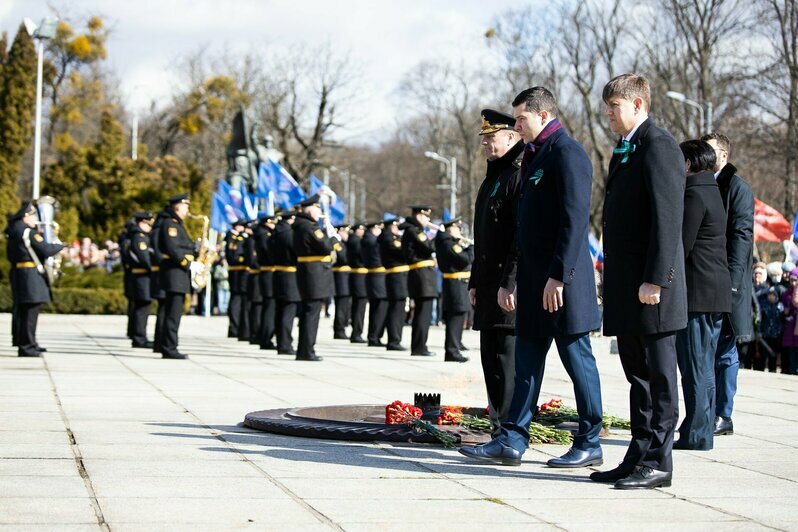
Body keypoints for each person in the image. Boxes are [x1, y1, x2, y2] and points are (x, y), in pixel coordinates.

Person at [459, 87, 604, 470]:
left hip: (562, 284)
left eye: (521, 119)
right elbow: (525, 228)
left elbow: (574, 222)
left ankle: (590, 440)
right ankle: (511, 438)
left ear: (542, 115)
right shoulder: (535, 156)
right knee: (525, 364)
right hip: (534, 282)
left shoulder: (566, 152)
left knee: (577, 362)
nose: (517, 125)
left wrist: (559, 276)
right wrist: (516, 280)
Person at [593, 74, 687, 489]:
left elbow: (668, 220)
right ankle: (639, 452)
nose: (608, 114)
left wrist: (656, 280)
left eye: (614, 106)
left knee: (659, 375)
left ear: (637, 104)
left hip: (652, 290)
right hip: (630, 287)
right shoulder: (627, 147)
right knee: (639, 375)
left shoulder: (658, 145)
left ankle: (659, 461)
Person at [673, 140, 732, 451]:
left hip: (698, 294)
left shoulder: (694, 193)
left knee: (696, 366)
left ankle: (697, 433)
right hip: (713, 293)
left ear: (689, 164)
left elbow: (683, 243)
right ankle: (701, 427)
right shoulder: (711, 190)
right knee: (704, 364)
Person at [470, 108, 524, 436]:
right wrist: (476, 280)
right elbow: (484, 237)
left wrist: (511, 282)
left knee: (507, 361)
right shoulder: (495, 176)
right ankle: (498, 426)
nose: (486, 144)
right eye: (484, 139)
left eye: (492, 138)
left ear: (511, 136)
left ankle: (510, 431)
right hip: (489, 285)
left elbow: (519, 237)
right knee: (491, 358)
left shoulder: (517, 174)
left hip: (507, 285)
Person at [701, 132, 755, 437]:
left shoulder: (736, 187)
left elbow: (741, 237)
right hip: (706, 279)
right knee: (705, 351)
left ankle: (723, 413)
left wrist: (733, 283)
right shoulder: (702, 182)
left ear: (723, 155)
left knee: (724, 351)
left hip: (726, 282)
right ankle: (707, 411)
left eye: (709, 152)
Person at [5, 201, 64, 357]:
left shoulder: (14, 230)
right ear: (26, 217)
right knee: (30, 311)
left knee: (24, 311)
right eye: (32, 216)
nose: (34, 219)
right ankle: (27, 346)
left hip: (20, 273)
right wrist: (61, 245)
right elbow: (45, 249)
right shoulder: (27, 232)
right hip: (30, 274)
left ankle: (27, 342)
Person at [293, 194, 334, 361]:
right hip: (314, 273)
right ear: (310, 210)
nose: (319, 211)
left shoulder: (301, 225)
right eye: (317, 208)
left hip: (309, 272)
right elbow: (325, 246)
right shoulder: (310, 227)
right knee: (312, 313)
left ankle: (304, 349)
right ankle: (307, 350)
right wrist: (330, 237)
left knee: (308, 312)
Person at [156, 193, 196, 359]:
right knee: (173, 313)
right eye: (186, 206)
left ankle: (165, 344)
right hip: (174, 273)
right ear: (178, 206)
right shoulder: (170, 224)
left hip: (176, 273)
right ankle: (170, 347)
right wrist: (189, 263)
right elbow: (173, 249)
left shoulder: (176, 224)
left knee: (170, 312)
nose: (188, 210)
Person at [435, 218, 472, 363]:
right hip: (455, 284)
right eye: (457, 228)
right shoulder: (448, 244)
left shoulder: (450, 243)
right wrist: (471, 248)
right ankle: (452, 350)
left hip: (458, 283)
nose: (460, 231)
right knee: (455, 318)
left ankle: (456, 346)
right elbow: (464, 260)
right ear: (450, 229)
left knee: (459, 316)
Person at [402, 206, 437, 357]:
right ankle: (419, 347)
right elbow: (429, 247)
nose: (428, 220)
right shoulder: (415, 231)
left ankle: (419, 345)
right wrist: (440, 235)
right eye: (426, 217)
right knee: (423, 314)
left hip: (422, 275)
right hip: (422, 276)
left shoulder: (414, 230)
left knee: (423, 313)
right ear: (419, 216)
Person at [271, 210, 300, 355]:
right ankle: (285, 344)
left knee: (281, 311)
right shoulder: (288, 234)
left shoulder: (276, 233)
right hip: (290, 275)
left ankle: (281, 342)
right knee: (288, 312)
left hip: (279, 273)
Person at [379, 217, 409, 351]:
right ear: (391, 226)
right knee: (396, 309)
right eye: (396, 226)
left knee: (398, 309)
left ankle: (395, 339)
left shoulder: (392, 238)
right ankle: (393, 340)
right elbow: (401, 253)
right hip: (396, 277)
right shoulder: (388, 238)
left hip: (398, 277)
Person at [127, 212, 156, 349]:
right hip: (141, 276)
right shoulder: (139, 237)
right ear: (141, 223)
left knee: (142, 307)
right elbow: (144, 258)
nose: (150, 227)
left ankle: (139, 336)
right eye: (148, 224)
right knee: (142, 307)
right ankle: (139, 338)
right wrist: (155, 268)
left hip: (143, 277)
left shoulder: (141, 236)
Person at [253, 214, 277, 350]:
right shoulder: (264, 235)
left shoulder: (263, 233)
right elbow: (270, 253)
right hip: (269, 273)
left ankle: (265, 337)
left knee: (268, 307)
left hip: (268, 273)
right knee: (269, 307)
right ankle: (265, 338)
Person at [362, 221, 388, 346]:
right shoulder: (371, 240)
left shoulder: (369, 239)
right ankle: (374, 336)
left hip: (376, 277)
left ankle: (374, 336)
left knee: (377, 308)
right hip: (377, 276)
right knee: (379, 308)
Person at [150, 207, 171, 353]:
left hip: (159, 272)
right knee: (165, 309)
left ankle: (159, 341)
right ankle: (161, 341)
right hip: (162, 273)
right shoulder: (160, 231)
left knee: (163, 309)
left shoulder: (156, 230)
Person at [225, 220, 248, 339]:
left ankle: (235, 327)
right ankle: (234, 327)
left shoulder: (234, 237)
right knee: (236, 299)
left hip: (238, 271)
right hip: (237, 272)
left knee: (237, 299)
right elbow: (233, 255)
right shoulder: (233, 237)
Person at [347, 223, 368, 344]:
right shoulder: (356, 241)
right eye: (361, 229)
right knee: (359, 306)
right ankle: (356, 333)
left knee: (358, 306)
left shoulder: (354, 240)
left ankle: (356, 332)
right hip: (359, 276)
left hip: (357, 276)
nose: (363, 231)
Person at [332, 224, 352, 340]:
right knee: (341, 305)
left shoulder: (344, 243)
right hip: (339, 277)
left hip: (344, 276)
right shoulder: (336, 242)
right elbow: (342, 257)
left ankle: (341, 327)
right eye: (344, 231)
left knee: (344, 305)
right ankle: (339, 330)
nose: (346, 234)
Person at [758, 287, 784, 373]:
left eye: (773, 295)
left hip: (776, 334)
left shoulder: (780, 306)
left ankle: (772, 369)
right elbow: (760, 320)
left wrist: (780, 331)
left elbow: (782, 320)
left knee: (773, 354)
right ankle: (761, 369)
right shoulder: (763, 305)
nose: (771, 297)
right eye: (770, 295)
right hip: (765, 334)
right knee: (763, 354)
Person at [781, 269, 798, 375]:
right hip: (791, 322)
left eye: (795, 280)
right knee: (791, 347)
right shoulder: (788, 291)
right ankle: (792, 369)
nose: (793, 283)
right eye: (791, 280)